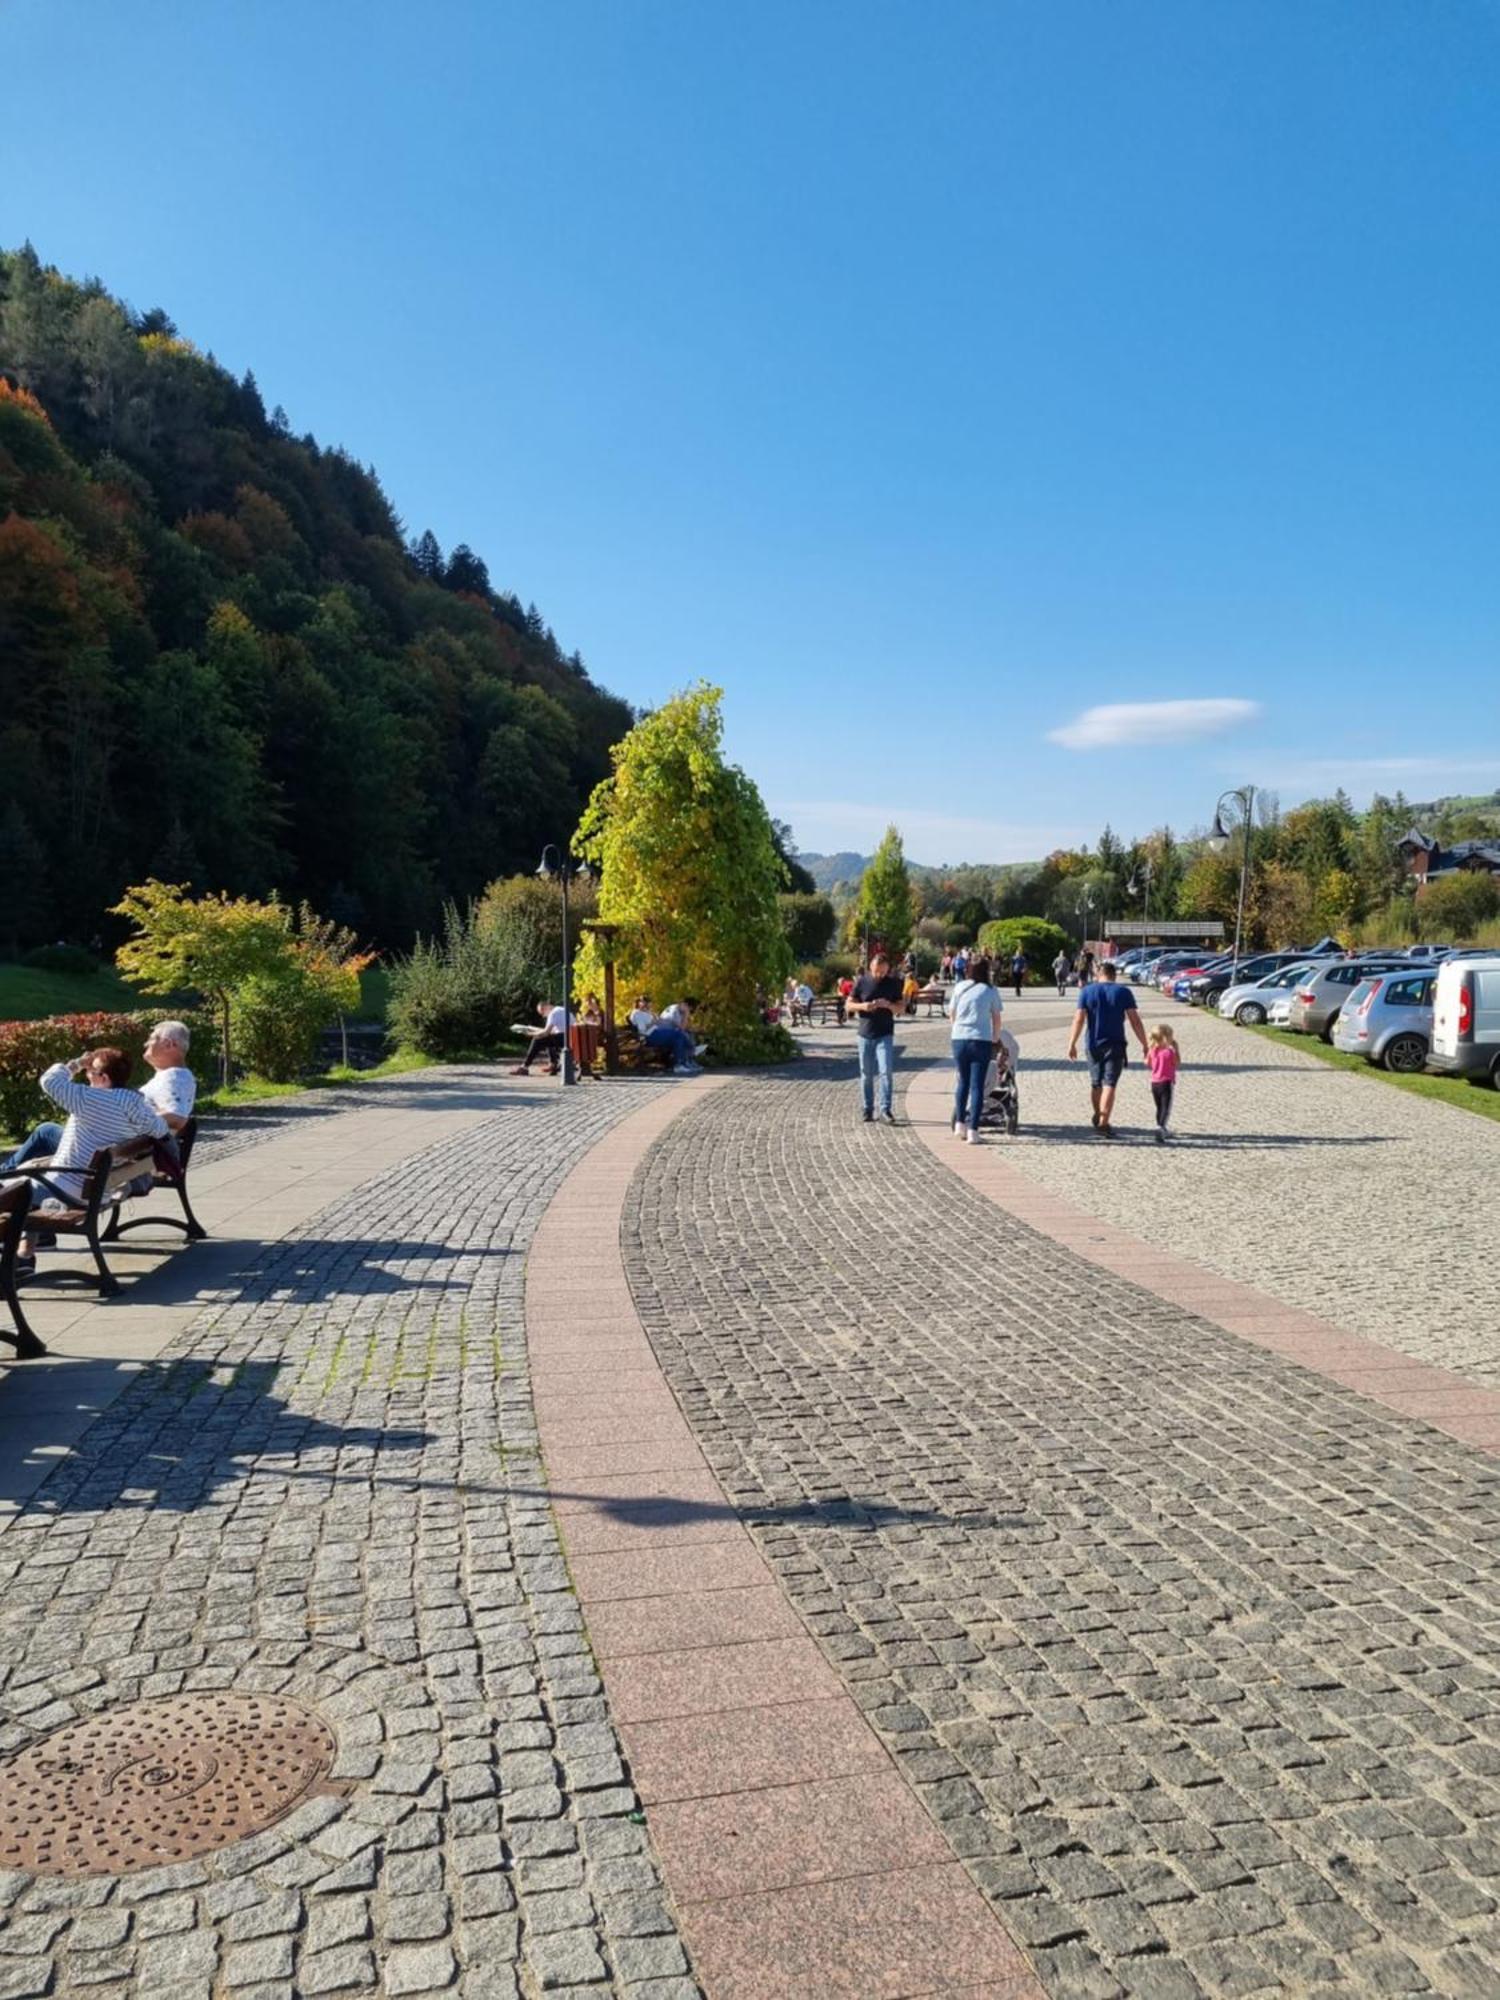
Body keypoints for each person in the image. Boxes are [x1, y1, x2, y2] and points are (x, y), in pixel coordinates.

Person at [12, 1049, 169, 1275]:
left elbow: (49, 1081)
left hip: (66, 1191)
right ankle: (24, 1257)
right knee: (28, 1181)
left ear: (104, 1078)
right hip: (98, 1192)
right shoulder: (137, 1104)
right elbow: (161, 1129)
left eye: (91, 1071)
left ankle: (13, 1259)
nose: (86, 1075)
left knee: (15, 1193)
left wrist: (76, 1063)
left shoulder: (92, 1099)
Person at [1066, 960, 1149, 1138]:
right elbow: (1135, 1020)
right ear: (1114, 975)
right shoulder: (1123, 992)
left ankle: (1098, 1113)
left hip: (1093, 1044)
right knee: (1109, 1083)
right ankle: (1103, 1124)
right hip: (1116, 1043)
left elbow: (1078, 1019)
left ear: (1098, 974)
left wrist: (1072, 1043)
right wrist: (1144, 1044)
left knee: (1096, 1083)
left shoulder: (1087, 991)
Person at [945, 955, 1004, 1144]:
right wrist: (995, 1038)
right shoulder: (990, 990)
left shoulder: (960, 987)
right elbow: (996, 1018)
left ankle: (960, 1124)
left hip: (959, 1038)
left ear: (968, 969)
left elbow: (951, 1014)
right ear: (986, 970)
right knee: (977, 1086)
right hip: (980, 1040)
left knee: (963, 1082)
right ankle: (973, 1130)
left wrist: (957, 1028)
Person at [850, 951, 903, 1123]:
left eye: (883, 971)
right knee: (866, 1074)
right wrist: (864, 1006)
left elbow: (901, 1008)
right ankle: (867, 1109)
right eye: (876, 971)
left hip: (885, 1033)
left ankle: (885, 1109)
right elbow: (848, 1005)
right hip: (865, 1033)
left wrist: (888, 1005)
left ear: (887, 969)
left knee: (886, 1071)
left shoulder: (893, 984)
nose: (879, 975)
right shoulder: (862, 981)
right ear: (871, 967)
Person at [627, 997, 700, 1074]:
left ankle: (679, 1065)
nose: (647, 1005)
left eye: (648, 1002)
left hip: (656, 1032)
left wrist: (653, 1017)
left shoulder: (645, 1012)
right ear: (638, 1003)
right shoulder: (637, 1013)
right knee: (678, 1034)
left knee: (678, 1038)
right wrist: (654, 1022)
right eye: (644, 1002)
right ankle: (691, 1050)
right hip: (649, 1036)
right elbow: (642, 1030)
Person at [512, 999, 567, 1075]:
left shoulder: (553, 1013)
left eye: (542, 1013)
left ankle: (524, 1067)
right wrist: (533, 1031)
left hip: (565, 1038)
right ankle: (553, 1064)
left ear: (545, 1007)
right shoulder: (561, 1009)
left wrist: (531, 1034)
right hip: (568, 1037)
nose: (543, 1016)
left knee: (538, 1039)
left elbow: (546, 1032)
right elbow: (551, 1032)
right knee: (547, 1039)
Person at [1148, 1023, 1180, 1144]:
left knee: (1159, 1106)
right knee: (1166, 1107)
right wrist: (1176, 1049)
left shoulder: (1153, 1050)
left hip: (1154, 1082)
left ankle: (1159, 1126)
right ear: (1166, 1038)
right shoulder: (1169, 1052)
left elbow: (1147, 1062)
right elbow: (1176, 1063)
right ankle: (1161, 1128)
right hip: (1166, 1083)